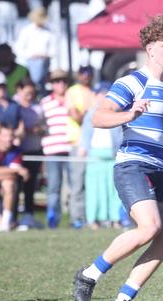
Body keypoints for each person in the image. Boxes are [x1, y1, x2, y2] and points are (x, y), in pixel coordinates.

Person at [72, 16, 163, 301]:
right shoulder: (132, 82)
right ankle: (89, 274)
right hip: (133, 163)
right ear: (149, 49)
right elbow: (99, 117)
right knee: (150, 227)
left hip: (160, 166)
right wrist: (129, 114)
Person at [79, 82, 123, 229]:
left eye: (105, 94)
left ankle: (115, 218)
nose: (102, 97)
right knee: (94, 189)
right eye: (99, 94)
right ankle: (93, 220)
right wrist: (83, 148)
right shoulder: (90, 114)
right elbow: (85, 134)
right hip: (94, 156)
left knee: (113, 189)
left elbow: (119, 134)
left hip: (112, 155)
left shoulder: (114, 113)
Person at [40, 70, 72, 229]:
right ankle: (53, 218)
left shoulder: (72, 99)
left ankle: (76, 218)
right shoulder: (45, 102)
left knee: (75, 186)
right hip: (52, 149)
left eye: (63, 80)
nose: (61, 84)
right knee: (53, 186)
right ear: (52, 84)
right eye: (57, 81)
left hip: (71, 148)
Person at [65, 65, 96, 228]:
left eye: (88, 74)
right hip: (78, 143)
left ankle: (90, 216)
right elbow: (76, 117)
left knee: (92, 183)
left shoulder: (94, 92)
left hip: (94, 145)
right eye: (83, 74)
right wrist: (88, 113)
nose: (86, 77)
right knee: (77, 183)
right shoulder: (72, 91)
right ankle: (76, 217)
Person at [13, 77, 44, 230]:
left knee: (30, 187)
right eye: (27, 93)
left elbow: (44, 128)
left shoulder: (38, 108)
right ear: (18, 91)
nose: (30, 96)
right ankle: (12, 217)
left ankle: (28, 217)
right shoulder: (14, 106)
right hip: (17, 153)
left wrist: (39, 129)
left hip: (35, 151)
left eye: (32, 93)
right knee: (15, 186)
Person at [0, 124, 28, 231]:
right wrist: (17, 170)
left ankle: (6, 222)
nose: (9, 139)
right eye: (5, 135)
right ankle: (14, 224)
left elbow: (13, 176)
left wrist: (2, 172)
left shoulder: (16, 151)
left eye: (11, 136)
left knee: (9, 183)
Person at [14, 7, 53, 95]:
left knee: (40, 66)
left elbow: (52, 50)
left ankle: (39, 91)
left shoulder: (48, 32)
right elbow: (19, 49)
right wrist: (33, 55)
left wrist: (44, 55)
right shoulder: (26, 31)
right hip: (30, 63)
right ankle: (36, 89)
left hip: (45, 63)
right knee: (38, 67)